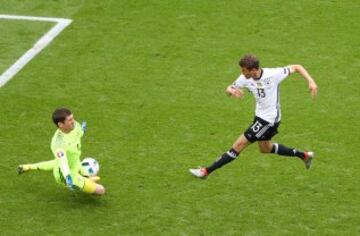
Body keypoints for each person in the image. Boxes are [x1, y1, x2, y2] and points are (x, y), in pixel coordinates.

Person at [189, 54, 318, 179]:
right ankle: (305, 156)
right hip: (259, 116)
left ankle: (206, 171)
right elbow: (229, 88)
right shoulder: (245, 77)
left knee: (238, 145)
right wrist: (231, 91)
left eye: (244, 70)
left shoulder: (273, 74)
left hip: (269, 120)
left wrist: (311, 82)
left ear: (254, 70)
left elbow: (297, 67)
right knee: (265, 148)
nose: (242, 72)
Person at [17, 108, 105, 195]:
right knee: (101, 190)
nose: (73, 121)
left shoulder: (76, 126)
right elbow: (63, 163)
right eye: (70, 120)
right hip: (65, 174)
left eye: (73, 118)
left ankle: (28, 167)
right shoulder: (58, 143)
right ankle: (83, 181)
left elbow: (78, 133)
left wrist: (82, 130)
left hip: (76, 163)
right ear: (60, 124)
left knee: (57, 163)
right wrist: (68, 177)